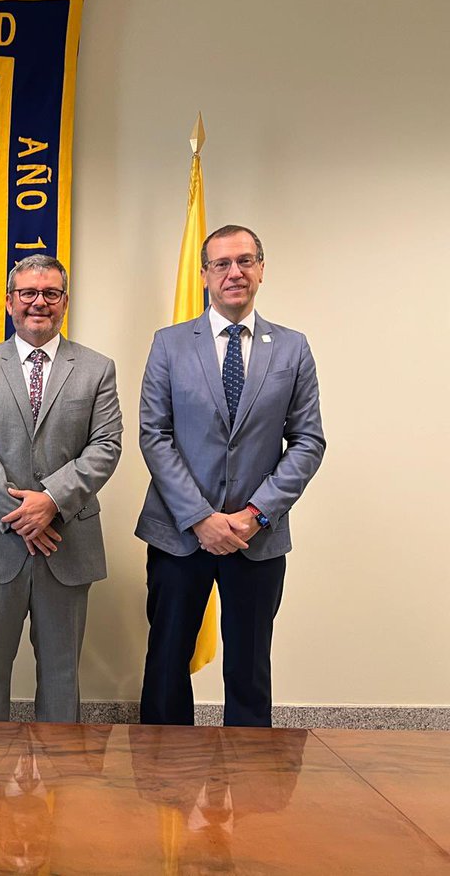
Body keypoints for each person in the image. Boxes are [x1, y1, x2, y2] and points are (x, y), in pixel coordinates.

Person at [137, 224, 326, 727]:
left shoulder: (292, 348)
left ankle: (250, 789)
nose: (234, 272)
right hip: (179, 534)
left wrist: (255, 514)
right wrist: (201, 518)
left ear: (262, 269)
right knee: (165, 663)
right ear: (204, 275)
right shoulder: (170, 344)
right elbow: (155, 436)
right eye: (221, 263)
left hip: (255, 538)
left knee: (249, 668)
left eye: (245, 261)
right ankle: (161, 784)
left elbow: (308, 442)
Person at [0, 254, 122, 722]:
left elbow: (106, 446)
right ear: (9, 302)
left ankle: (61, 789)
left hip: (67, 544)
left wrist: (50, 501)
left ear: (65, 302)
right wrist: (21, 517)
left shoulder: (96, 368)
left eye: (50, 293)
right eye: (28, 293)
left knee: (62, 676)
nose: (38, 303)